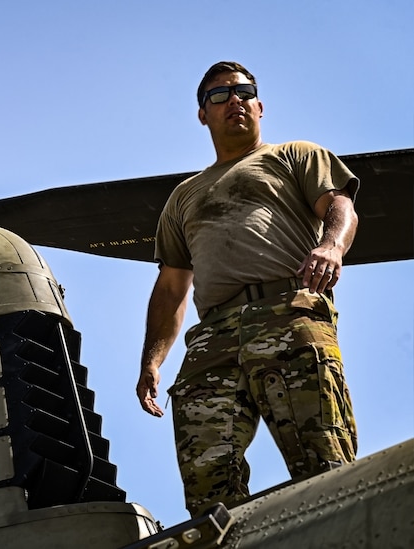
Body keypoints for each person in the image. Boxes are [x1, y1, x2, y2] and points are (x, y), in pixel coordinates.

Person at [135, 61, 359, 517]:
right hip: (211, 340)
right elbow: (173, 284)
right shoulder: (183, 196)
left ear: (259, 105)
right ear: (203, 114)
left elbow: (340, 204)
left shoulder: (294, 155)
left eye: (243, 92)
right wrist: (152, 360)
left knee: (325, 470)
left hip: (286, 315)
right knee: (208, 493)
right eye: (219, 96)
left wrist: (332, 246)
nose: (233, 101)